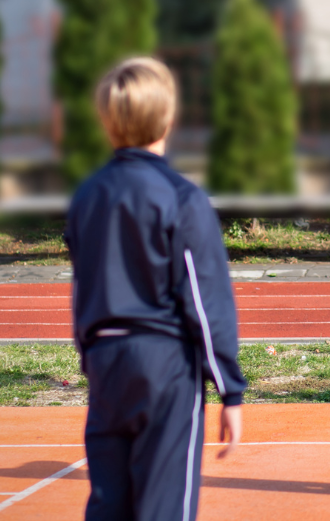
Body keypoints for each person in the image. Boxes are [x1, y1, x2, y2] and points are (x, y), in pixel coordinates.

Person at [65, 57, 246, 521]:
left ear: (107, 121)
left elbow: (84, 286)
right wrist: (229, 389)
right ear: (168, 117)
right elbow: (205, 302)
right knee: (163, 508)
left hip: (106, 363)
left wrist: (91, 356)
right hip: (164, 365)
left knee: (109, 505)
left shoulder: (86, 196)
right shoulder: (181, 196)